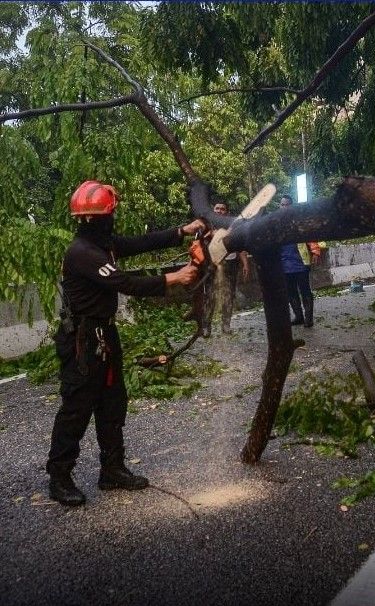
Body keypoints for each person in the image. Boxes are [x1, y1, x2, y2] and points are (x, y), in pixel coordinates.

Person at [47, 180, 204, 506]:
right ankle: (59, 477)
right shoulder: (83, 253)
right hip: (83, 341)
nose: (112, 220)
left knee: (112, 402)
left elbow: (141, 242)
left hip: (104, 335)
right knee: (77, 408)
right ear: (98, 218)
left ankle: (112, 469)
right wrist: (172, 278)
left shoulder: (102, 244)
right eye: (109, 215)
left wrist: (182, 231)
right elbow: (124, 283)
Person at [200, 202, 249, 336]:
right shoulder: (207, 226)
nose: (220, 211)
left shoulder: (233, 226)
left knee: (229, 295)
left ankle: (226, 325)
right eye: (217, 208)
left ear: (227, 212)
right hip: (212, 265)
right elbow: (199, 244)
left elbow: (240, 246)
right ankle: (206, 326)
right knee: (210, 295)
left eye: (223, 209)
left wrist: (245, 263)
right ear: (213, 210)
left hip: (231, 264)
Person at [278, 194, 322, 327]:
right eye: (282, 205)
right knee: (291, 292)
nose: (285, 207)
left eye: (287, 205)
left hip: (301, 263)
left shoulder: (300, 221)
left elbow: (311, 236)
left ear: (292, 206)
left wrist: (315, 252)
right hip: (284, 265)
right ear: (279, 206)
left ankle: (309, 318)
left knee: (305, 291)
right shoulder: (276, 223)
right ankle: (298, 316)